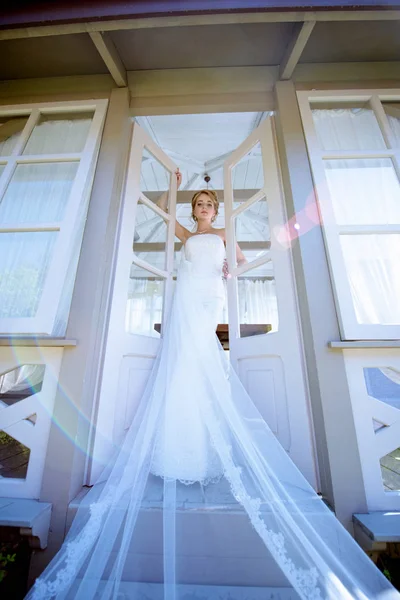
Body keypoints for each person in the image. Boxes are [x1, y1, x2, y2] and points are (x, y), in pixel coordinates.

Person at [27, 170, 399, 599]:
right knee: (184, 362)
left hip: (209, 295)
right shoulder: (186, 230)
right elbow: (166, 215)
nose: (204, 208)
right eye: (200, 204)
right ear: (195, 209)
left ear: (216, 210)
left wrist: (227, 264)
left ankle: (204, 445)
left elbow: (239, 260)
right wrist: (175, 181)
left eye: (209, 204)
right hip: (186, 294)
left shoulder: (223, 231)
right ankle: (181, 450)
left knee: (205, 357)